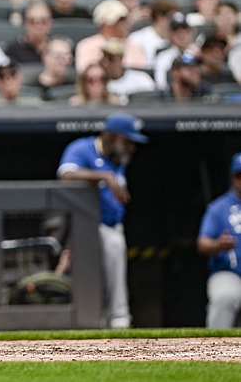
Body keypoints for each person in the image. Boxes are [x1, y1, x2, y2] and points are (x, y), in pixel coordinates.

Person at [58, 112, 149, 329]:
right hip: (83, 227)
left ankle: (113, 316)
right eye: (127, 141)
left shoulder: (118, 160)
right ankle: (118, 316)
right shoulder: (83, 148)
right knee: (113, 246)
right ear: (111, 136)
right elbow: (65, 174)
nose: (131, 147)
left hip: (110, 225)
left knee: (113, 247)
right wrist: (104, 177)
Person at [197, 152, 241, 329]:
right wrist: (218, 245)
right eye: (239, 175)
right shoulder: (218, 208)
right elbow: (202, 243)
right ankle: (215, 350)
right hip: (228, 272)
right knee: (225, 296)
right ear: (233, 178)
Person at [75, 0, 146, 74]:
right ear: (105, 24)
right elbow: (86, 75)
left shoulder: (134, 46)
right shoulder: (87, 46)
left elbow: (141, 72)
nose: (125, 24)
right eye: (119, 20)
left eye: (125, 19)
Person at [101, 38, 156, 104]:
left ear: (121, 58)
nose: (106, 62)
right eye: (104, 58)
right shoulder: (97, 82)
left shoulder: (141, 78)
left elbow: (152, 102)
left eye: (110, 58)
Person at [5, 1, 53, 65]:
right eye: (32, 21)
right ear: (25, 23)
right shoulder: (13, 49)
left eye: (43, 21)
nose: (38, 26)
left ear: (50, 24)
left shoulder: (57, 49)